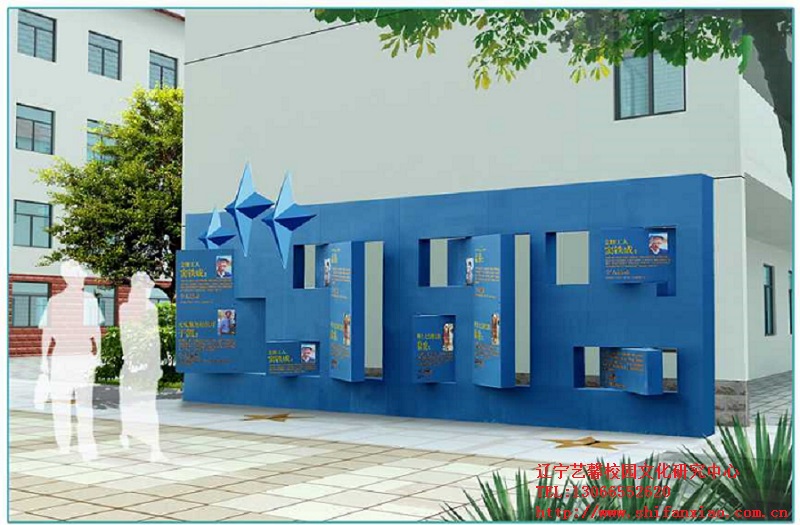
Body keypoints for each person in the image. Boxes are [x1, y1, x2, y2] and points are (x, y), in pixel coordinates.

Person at [39, 260, 101, 461]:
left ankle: (81, 446)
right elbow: (47, 332)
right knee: (66, 404)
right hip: (67, 357)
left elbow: (95, 330)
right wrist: (43, 359)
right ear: (69, 278)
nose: (83, 277)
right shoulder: (58, 302)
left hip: (77, 357)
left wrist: (98, 355)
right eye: (80, 274)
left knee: (78, 404)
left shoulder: (87, 300)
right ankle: (68, 446)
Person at [119, 272, 166, 462]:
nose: (146, 291)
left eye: (148, 287)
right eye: (142, 287)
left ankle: (154, 447)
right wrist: (130, 360)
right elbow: (125, 336)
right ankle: (127, 433)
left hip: (148, 365)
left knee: (149, 406)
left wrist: (156, 363)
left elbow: (155, 338)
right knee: (130, 403)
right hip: (131, 364)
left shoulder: (151, 308)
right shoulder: (125, 308)